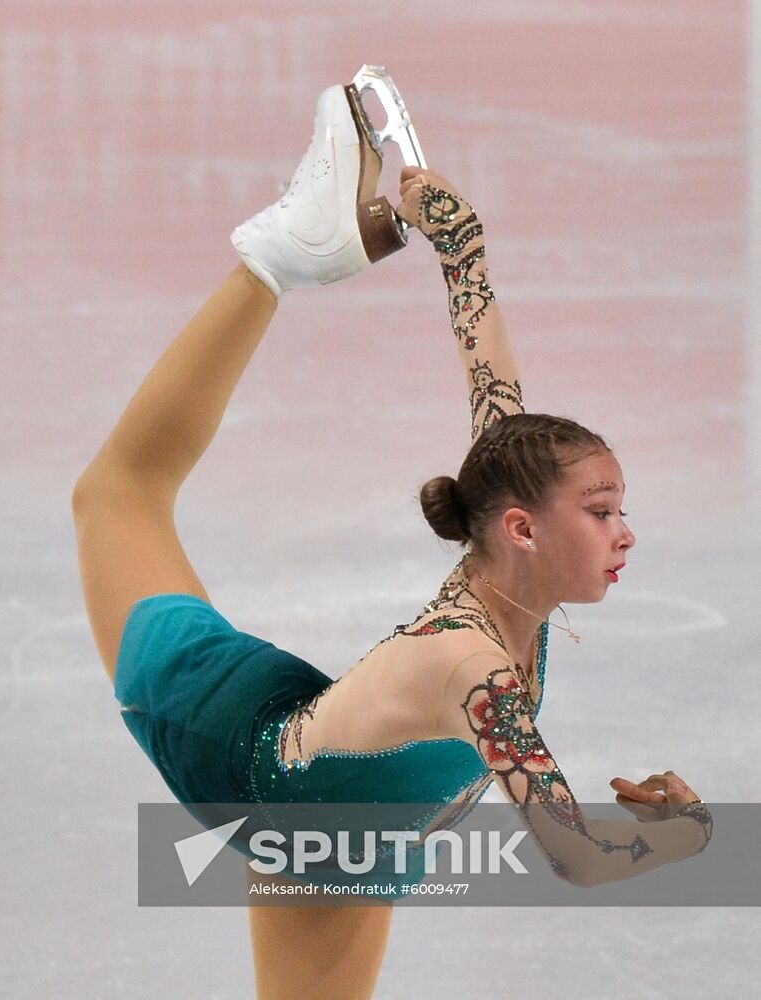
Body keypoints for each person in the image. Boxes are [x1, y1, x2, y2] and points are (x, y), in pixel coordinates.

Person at [72, 78, 713, 1000]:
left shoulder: (513, 563)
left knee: (124, 493)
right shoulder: (470, 665)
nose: (625, 533)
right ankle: (272, 258)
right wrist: (686, 833)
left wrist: (460, 242)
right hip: (238, 751)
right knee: (120, 492)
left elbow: (490, 370)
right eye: (602, 510)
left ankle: (286, 259)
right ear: (522, 527)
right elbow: (579, 857)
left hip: (352, 833)